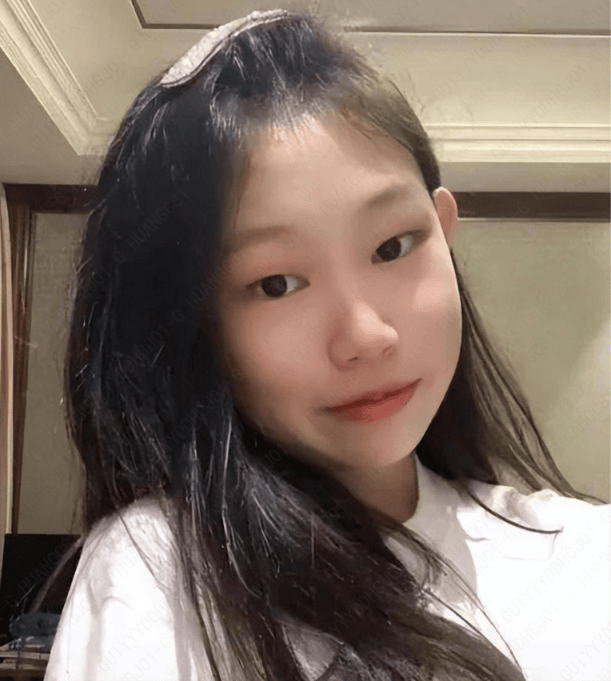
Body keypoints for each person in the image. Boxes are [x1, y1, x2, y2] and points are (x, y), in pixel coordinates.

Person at [43, 7, 609, 681]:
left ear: (443, 229)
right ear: (198, 325)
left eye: (392, 247)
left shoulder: (584, 557)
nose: (366, 336)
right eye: (277, 283)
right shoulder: (162, 571)